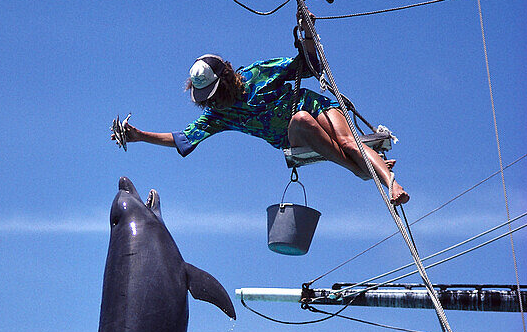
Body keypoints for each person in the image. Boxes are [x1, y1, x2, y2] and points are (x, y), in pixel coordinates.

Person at [117, 40, 409, 207]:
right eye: (207, 98)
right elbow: (182, 138)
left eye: (215, 93)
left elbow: (305, 64)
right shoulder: (219, 116)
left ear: (228, 77)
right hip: (295, 133)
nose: (214, 102)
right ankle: (359, 169)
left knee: (348, 142)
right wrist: (140, 135)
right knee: (301, 119)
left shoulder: (258, 73)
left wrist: (306, 34)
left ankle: (391, 183)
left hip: (320, 105)